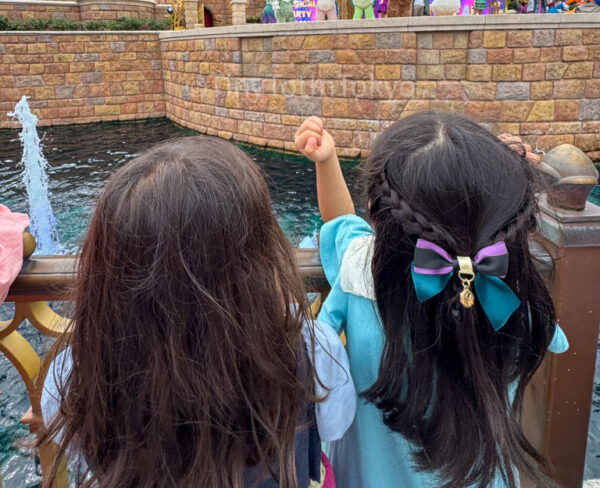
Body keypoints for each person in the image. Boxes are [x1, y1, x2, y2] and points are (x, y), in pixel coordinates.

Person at [40, 137, 356, 488]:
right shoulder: (313, 348)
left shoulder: (75, 371)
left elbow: (69, 437)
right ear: (260, 256)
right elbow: (336, 424)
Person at [294, 114, 568, 488]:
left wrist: (326, 163)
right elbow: (553, 336)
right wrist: (508, 182)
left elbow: (342, 222)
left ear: (378, 213)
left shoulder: (357, 274)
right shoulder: (508, 294)